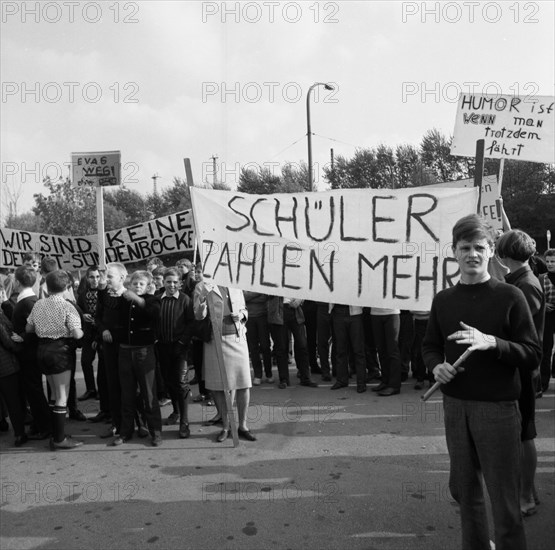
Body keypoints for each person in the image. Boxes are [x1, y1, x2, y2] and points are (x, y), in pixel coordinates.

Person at [423, 214, 541, 550]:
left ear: (491, 251)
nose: (472, 253)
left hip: (499, 410)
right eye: (465, 247)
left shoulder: (510, 296)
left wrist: (493, 343)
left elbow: (532, 353)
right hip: (455, 408)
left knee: (504, 500)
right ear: (454, 252)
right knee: (466, 494)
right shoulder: (443, 300)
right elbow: (430, 345)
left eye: (479, 247)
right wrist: (436, 367)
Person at [496, 229, 545, 517]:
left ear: (504, 254)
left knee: (525, 433)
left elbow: (517, 328)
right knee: (521, 432)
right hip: (520, 366)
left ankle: (525, 495)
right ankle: (529, 491)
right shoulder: (520, 280)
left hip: (524, 369)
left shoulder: (525, 285)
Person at [26, 270, 84, 450]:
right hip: (60, 352)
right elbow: (77, 334)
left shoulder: (38, 304)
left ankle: (55, 432)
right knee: (61, 396)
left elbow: (29, 328)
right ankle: (59, 439)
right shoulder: (67, 306)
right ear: (67, 287)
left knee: (53, 394)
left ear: (47, 286)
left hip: (42, 350)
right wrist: (82, 330)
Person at [194, 282, 256, 442]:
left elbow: (244, 308)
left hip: (237, 338)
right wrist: (202, 298)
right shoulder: (202, 286)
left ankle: (243, 426)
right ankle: (226, 426)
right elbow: (198, 315)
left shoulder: (235, 283)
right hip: (215, 340)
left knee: (243, 384)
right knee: (218, 387)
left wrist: (242, 315)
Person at [112, 270, 162, 447]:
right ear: (129, 285)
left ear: (148, 286)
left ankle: (156, 431)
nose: (137, 287)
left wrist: (138, 299)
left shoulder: (152, 300)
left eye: (141, 284)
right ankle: (126, 432)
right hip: (125, 352)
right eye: (135, 284)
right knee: (127, 394)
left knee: (149, 394)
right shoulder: (123, 301)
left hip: (144, 352)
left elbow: (154, 313)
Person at [156, 268, 194, 439]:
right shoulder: (157, 299)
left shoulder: (185, 299)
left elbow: (190, 323)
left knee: (181, 382)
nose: (171, 285)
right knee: (168, 381)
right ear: (163, 282)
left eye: (174, 282)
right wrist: (156, 339)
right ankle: (176, 411)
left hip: (180, 348)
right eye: (168, 282)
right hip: (162, 347)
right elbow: (151, 321)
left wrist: (182, 342)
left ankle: (184, 422)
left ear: (180, 283)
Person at [0, 309, 27, 446]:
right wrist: (20, 348)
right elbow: (8, 341)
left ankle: (3, 423)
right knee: (13, 401)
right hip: (5, 366)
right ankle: (19, 434)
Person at [538, 249, 555, 395]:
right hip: (547, 317)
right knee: (546, 350)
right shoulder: (541, 278)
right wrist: (543, 305)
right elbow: (536, 298)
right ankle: (543, 382)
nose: (549, 264)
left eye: (553, 261)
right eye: (548, 261)